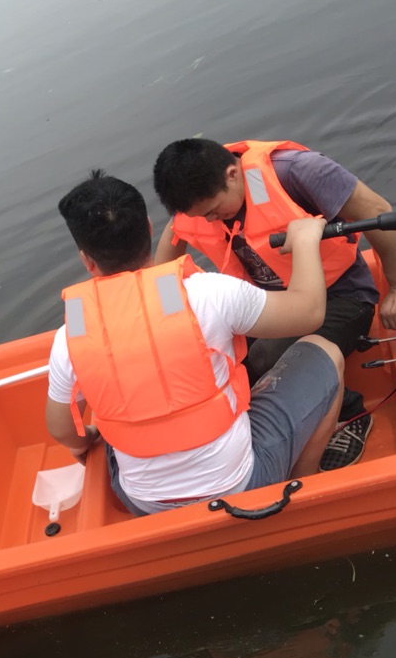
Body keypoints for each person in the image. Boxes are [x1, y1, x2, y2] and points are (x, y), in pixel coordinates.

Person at [45, 170, 344, 516]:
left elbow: (62, 429)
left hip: (144, 504)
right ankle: (299, 490)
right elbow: (308, 312)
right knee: (327, 352)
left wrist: (87, 438)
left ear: (86, 259)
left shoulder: (71, 335)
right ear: (149, 228)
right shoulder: (209, 293)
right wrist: (305, 240)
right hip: (241, 486)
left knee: (105, 410)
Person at [151, 138, 396, 470]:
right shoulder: (197, 205)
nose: (210, 221)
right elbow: (164, 267)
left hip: (342, 296)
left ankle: (351, 413)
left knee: (267, 356)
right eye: (202, 217)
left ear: (232, 175)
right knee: (212, 361)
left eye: (214, 211)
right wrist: (166, 315)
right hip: (272, 303)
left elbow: (376, 211)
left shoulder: (298, 171)